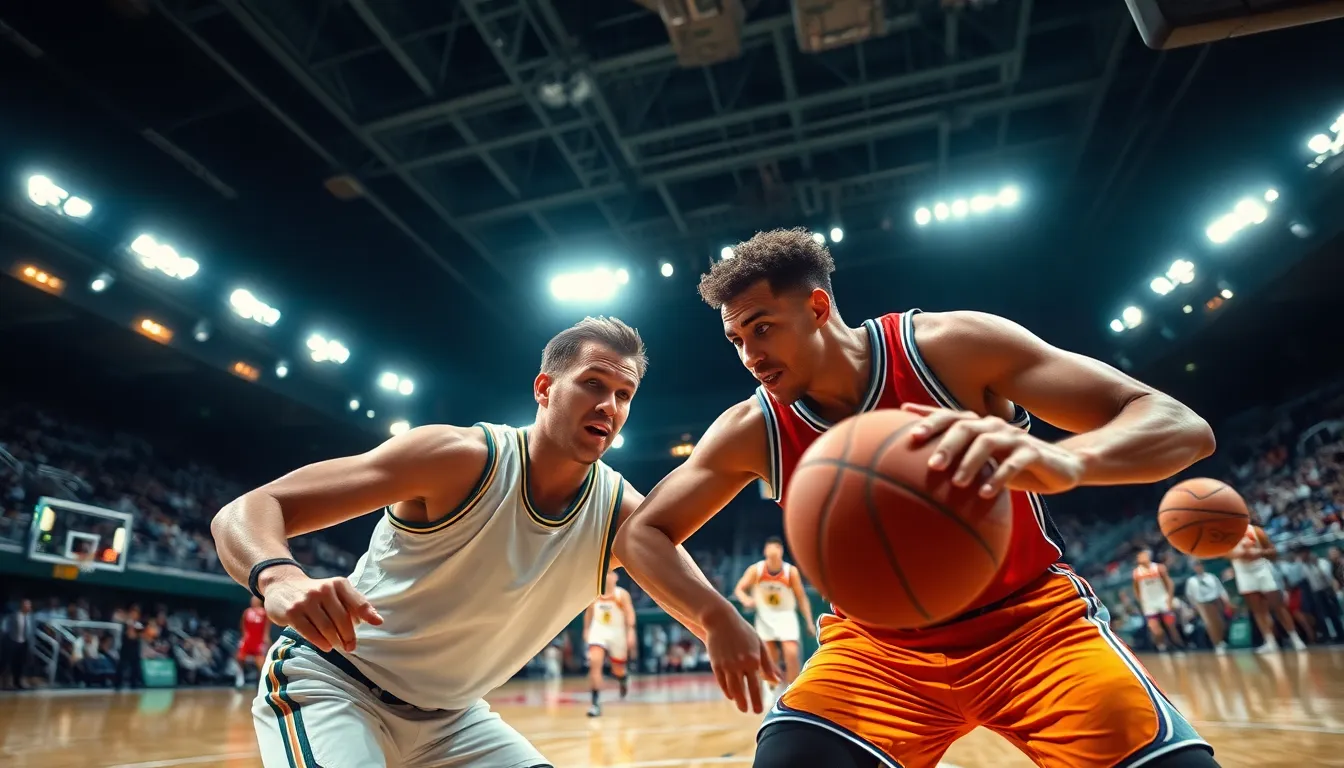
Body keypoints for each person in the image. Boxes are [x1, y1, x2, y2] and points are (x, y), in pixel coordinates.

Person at [615, 228, 1221, 768]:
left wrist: (1072, 459)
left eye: (762, 329)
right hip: (879, 652)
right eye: (736, 340)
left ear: (818, 307)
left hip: (1032, 628)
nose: (750, 356)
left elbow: (1180, 425)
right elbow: (641, 533)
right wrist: (715, 617)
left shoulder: (949, 348)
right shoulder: (756, 426)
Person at [210, 317, 713, 768]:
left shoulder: (623, 513)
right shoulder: (459, 457)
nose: (609, 404)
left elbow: (706, 610)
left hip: (454, 722)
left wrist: (728, 632)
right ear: (544, 388)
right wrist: (279, 578)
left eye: (624, 395)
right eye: (592, 384)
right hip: (335, 684)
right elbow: (245, 510)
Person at [732, 536, 814, 699]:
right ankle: (771, 691)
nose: (773, 552)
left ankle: (793, 692)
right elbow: (739, 589)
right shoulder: (756, 570)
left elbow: (801, 598)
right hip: (765, 616)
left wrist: (809, 622)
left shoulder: (791, 572)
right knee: (769, 658)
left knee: (791, 653)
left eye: (776, 548)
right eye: (770, 549)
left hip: (786, 615)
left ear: (781, 551)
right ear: (765, 551)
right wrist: (746, 599)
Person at [1228, 524, 1306, 653]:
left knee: (1278, 606)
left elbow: (1273, 552)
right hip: (1244, 574)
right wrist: (1243, 552)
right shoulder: (1226, 534)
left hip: (1262, 569)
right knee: (1258, 611)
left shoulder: (1256, 530)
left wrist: (1259, 552)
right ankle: (1270, 642)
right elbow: (1227, 554)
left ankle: (1295, 638)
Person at [583, 569, 636, 717]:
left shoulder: (622, 594)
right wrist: (586, 630)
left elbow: (630, 614)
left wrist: (630, 632)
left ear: (615, 577)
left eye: (609, 573)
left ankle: (622, 678)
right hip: (599, 630)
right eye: (604, 573)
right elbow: (588, 613)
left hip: (617, 632)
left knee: (617, 669)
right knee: (595, 662)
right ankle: (595, 703)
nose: (606, 576)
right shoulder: (595, 594)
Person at [1132, 549, 1185, 652]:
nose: (1142, 557)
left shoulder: (1159, 568)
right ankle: (1162, 647)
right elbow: (1136, 590)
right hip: (1149, 604)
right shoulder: (1136, 573)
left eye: (1144, 555)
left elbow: (1169, 584)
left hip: (1162, 600)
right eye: (1140, 556)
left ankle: (1179, 646)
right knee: (1155, 630)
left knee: (1171, 625)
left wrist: (1169, 599)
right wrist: (1142, 602)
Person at [1183, 559, 1231, 653]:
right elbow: (1190, 595)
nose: (1198, 567)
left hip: (1215, 601)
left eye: (1199, 565)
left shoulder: (1211, 577)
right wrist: (1194, 606)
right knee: (1210, 623)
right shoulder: (1191, 581)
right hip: (1202, 603)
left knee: (1219, 622)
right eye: (1196, 565)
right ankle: (1216, 643)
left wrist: (1226, 601)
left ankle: (1221, 640)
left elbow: (1220, 590)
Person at [236, 597, 271, 688]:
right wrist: (244, 635)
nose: (253, 601)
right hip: (248, 639)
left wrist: (266, 637)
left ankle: (262, 681)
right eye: (252, 600)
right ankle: (240, 678)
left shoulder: (264, 613)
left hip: (258, 640)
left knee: (260, 662)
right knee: (239, 657)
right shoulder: (247, 612)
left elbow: (267, 626)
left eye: (255, 600)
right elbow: (243, 624)